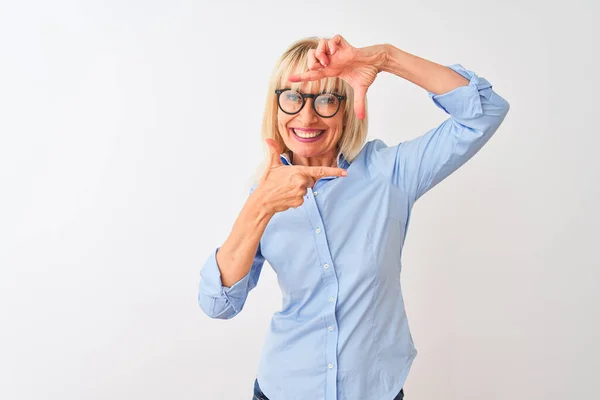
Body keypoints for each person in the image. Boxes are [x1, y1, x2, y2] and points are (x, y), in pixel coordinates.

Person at [198, 34, 510, 400]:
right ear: (276, 107)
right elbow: (217, 304)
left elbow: (485, 111)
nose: (307, 116)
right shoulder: (265, 194)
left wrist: (386, 58)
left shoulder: (389, 174)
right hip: (284, 388)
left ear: (347, 108)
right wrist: (260, 206)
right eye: (293, 98)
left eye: (327, 99)